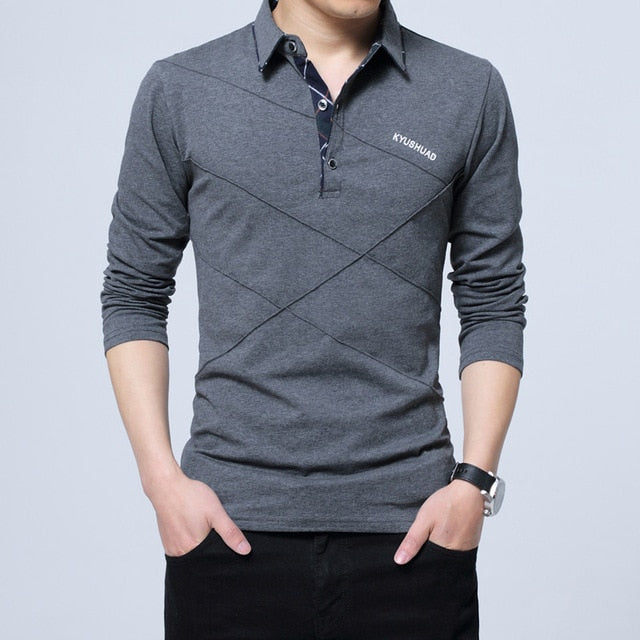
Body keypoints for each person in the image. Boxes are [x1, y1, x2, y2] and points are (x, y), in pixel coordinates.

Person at [100, 0, 527, 637]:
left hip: (413, 535)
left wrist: (475, 481)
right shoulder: (180, 88)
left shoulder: (469, 90)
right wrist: (162, 482)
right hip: (229, 531)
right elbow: (134, 292)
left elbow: (492, 298)